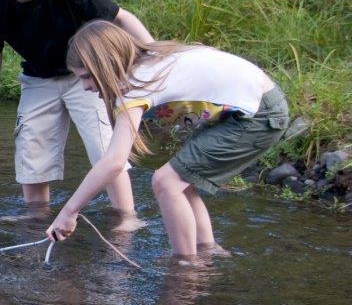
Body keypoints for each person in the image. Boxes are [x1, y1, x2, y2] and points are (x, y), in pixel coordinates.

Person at [46, 20, 289, 258]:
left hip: (258, 113)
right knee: (181, 179)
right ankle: (207, 249)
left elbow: (114, 162)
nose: (85, 86)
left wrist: (69, 212)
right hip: (250, 103)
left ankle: (186, 266)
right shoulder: (147, 61)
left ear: (107, 64)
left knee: (166, 181)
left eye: (87, 77)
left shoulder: (135, 87)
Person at [0, 0, 152, 212]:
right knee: (32, 156)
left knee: (105, 149)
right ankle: (36, 221)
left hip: (86, 78)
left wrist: (154, 57)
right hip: (38, 80)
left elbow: (121, 18)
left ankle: (126, 218)